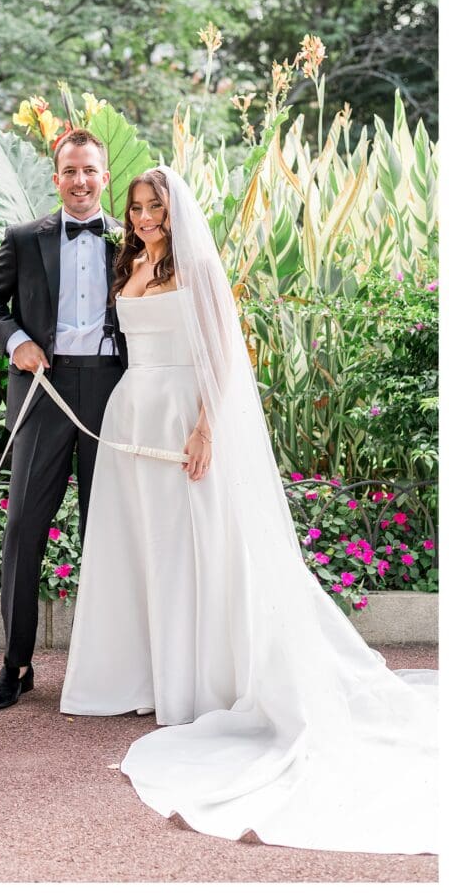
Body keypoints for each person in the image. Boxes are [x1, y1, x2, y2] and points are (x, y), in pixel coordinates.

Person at [60, 166, 437, 855]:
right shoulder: (128, 264)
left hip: (182, 417)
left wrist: (207, 425)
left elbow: (223, 352)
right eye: (137, 208)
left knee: (189, 548)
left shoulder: (197, 266)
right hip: (131, 417)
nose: (145, 218)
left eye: (156, 207)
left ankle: (193, 684)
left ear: (176, 211)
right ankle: (140, 675)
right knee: (136, 549)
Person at [0, 129, 126, 709]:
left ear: (103, 177)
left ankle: (106, 663)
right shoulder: (22, 239)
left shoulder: (131, 240)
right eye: (70, 171)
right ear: (55, 177)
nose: (80, 181)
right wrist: (15, 342)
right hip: (43, 390)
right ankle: (16, 664)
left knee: (106, 530)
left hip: (114, 393)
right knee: (22, 529)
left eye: (90, 170)